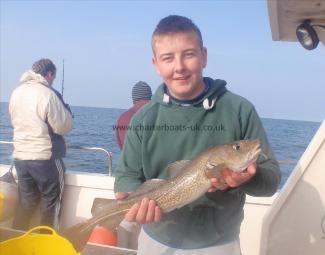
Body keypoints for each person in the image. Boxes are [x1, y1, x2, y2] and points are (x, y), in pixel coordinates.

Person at [114, 15, 281, 255]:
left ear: (204, 56)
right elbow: (126, 176)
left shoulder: (239, 110)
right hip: (156, 240)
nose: (179, 66)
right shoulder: (144, 118)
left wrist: (250, 179)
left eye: (189, 54)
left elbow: (272, 179)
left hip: (219, 243)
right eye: (168, 58)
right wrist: (132, 197)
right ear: (156, 64)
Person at [9, 58, 73, 231]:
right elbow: (63, 126)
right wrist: (66, 111)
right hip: (46, 158)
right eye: (53, 76)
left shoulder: (17, 92)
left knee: (26, 203)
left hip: (21, 158)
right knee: (51, 204)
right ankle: (46, 244)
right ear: (50, 74)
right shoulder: (48, 93)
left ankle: (16, 241)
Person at [115, 81, 152, 150]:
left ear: (133, 98)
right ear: (150, 97)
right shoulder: (160, 115)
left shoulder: (122, 118)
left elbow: (122, 148)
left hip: (130, 160)